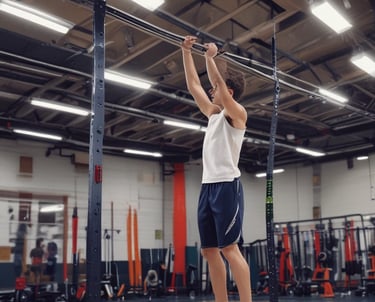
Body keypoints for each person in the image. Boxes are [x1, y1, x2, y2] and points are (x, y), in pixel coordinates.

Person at [181, 36, 252, 302]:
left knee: (229, 249)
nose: (211, 92)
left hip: (227, 186)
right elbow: (194, 85)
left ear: (229, 93)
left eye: (217, 90)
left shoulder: (238, 115)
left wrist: (210, 57)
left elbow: (216, 84)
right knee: (209, 251)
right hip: (207, 187)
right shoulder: (213, 115)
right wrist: (186, 52)